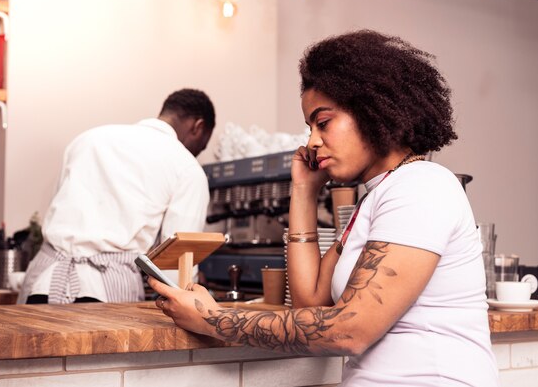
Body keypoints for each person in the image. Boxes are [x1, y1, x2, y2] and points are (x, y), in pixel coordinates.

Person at [149, 31, 499, 386]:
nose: (312, 141)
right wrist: (302, 190)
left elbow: (350, 330)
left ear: (372, 111)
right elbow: (310, 307)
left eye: (324, 122)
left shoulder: (422, 185)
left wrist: (215, 320)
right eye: (310, 127)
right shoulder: (375, 198)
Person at [17, 88, 216, 304]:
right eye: (201, 147)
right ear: (198, 127)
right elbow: (177, 266)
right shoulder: (186, 167)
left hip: (42, 283)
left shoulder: (87, 139)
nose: (197, 153)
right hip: (105, 292)